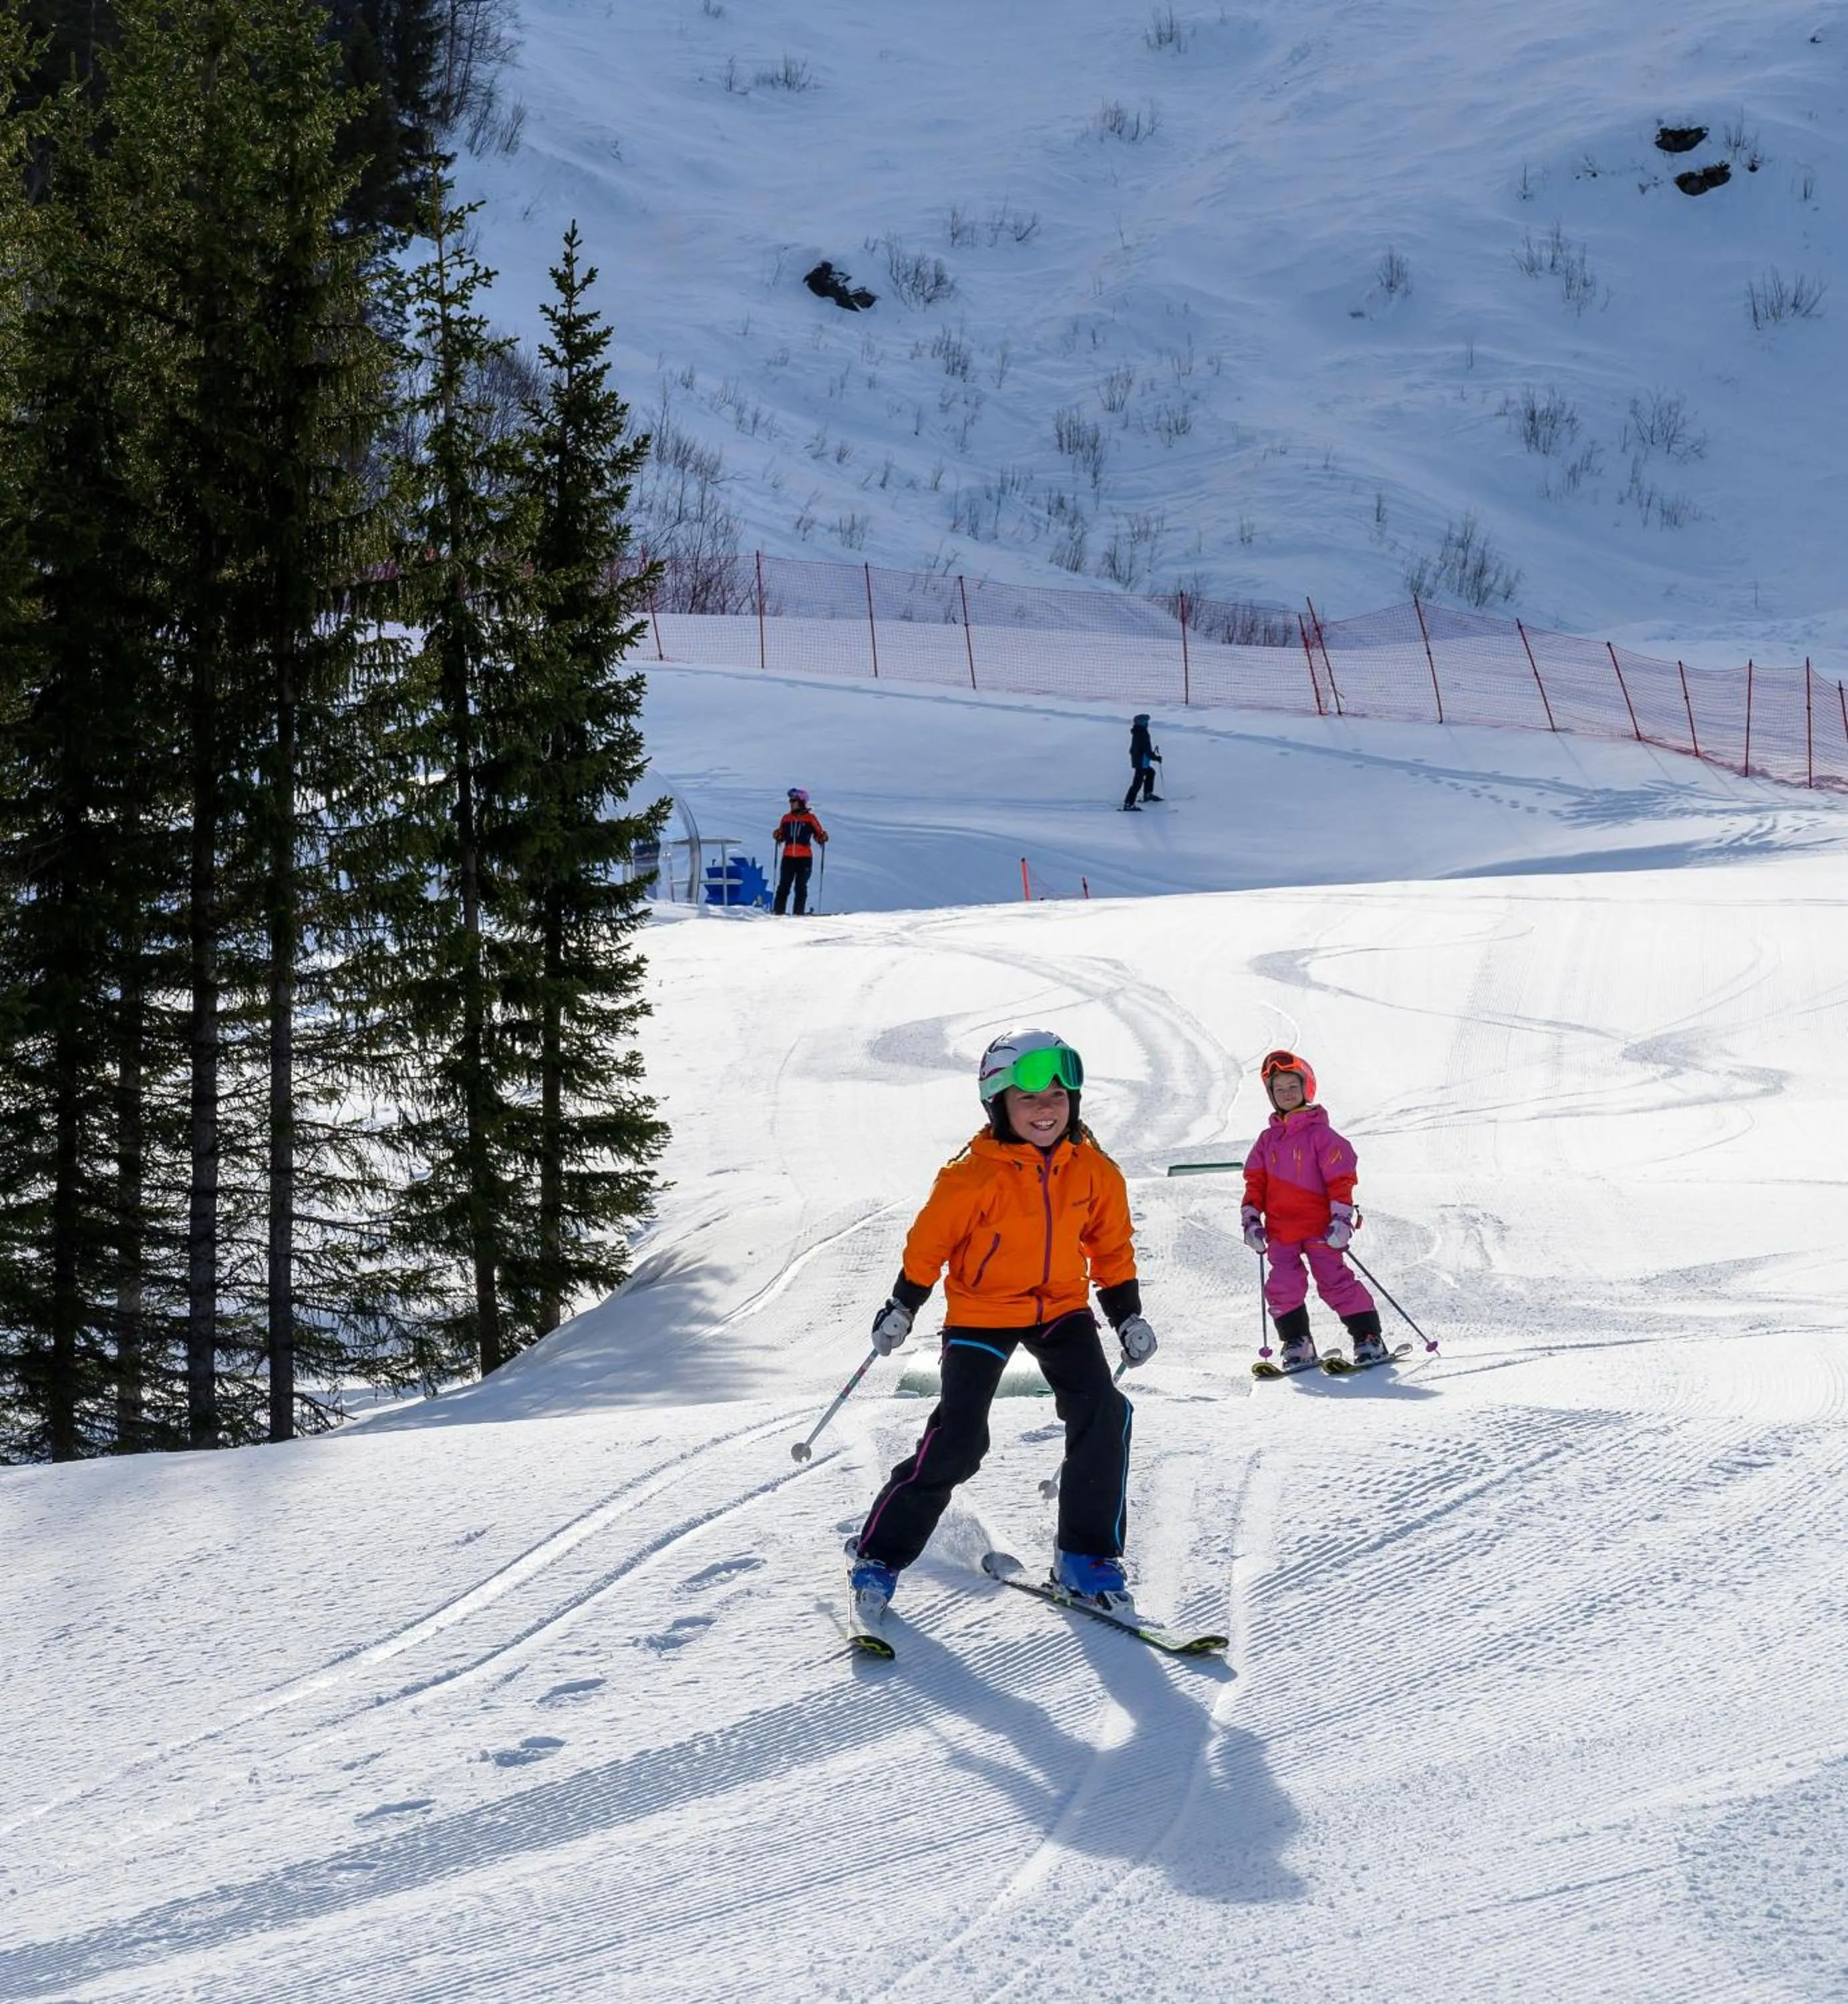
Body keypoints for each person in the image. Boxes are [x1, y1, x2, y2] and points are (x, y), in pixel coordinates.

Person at [848, 1029, 1159, 1624]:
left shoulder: (1093, 1170)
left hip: (1061, 1309)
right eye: (1028, 1099)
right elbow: (928, 1246)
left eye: (1058, 1098)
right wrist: (902, 1305)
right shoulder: (970, 1177)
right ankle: (878, 1556)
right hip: (982, 1314)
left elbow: (1111, 1246)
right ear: (998, 1106)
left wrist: (1127, 1316)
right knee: (961, 1441)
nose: (1046, 1110)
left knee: (1105, 1409)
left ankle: (1085, 1557)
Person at [1240, 1049, 1386, 1367]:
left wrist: (1342, 1218)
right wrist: (1251, 1219)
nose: (1286, 1094)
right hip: (1281, 1231)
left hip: (1321, 1228)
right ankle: (1297, 1342)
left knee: (1335, 1282)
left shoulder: (1321, 1135)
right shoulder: (1267, 1141)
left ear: (1307, 1088)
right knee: (1282, 1287)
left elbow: (1340, 1177)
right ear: (1271, 1096)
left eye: (1293, 1087)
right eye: (1279, 1090)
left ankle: (1368, 1338)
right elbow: (1255, 1183)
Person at [772, 787, 828, 914]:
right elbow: (782, 835)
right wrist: (778, 836)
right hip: (788, 857)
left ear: (802, 802)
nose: (791, 803)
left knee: (800, 887)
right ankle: (778, 912)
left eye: (794, 800)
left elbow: (819, 835)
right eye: (790, 801)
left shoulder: (810, 819)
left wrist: (822, 838)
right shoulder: (786, 819)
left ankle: (798, 914)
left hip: (804, 858)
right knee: (783, 886)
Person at [1122, 713, 1163, 811]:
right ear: (1142, 723)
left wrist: (1152, 756)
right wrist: (1156, 758)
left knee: (1151, 773)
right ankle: (1128, 804)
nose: (1147, 724)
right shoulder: (1142, 733)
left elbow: (1144, 749)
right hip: (1141, 761)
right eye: (1146, 722)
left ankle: (1148, 794)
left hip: (1140, 760)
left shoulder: (1139, 732)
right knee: (1137, 783)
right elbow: (1146, 750)